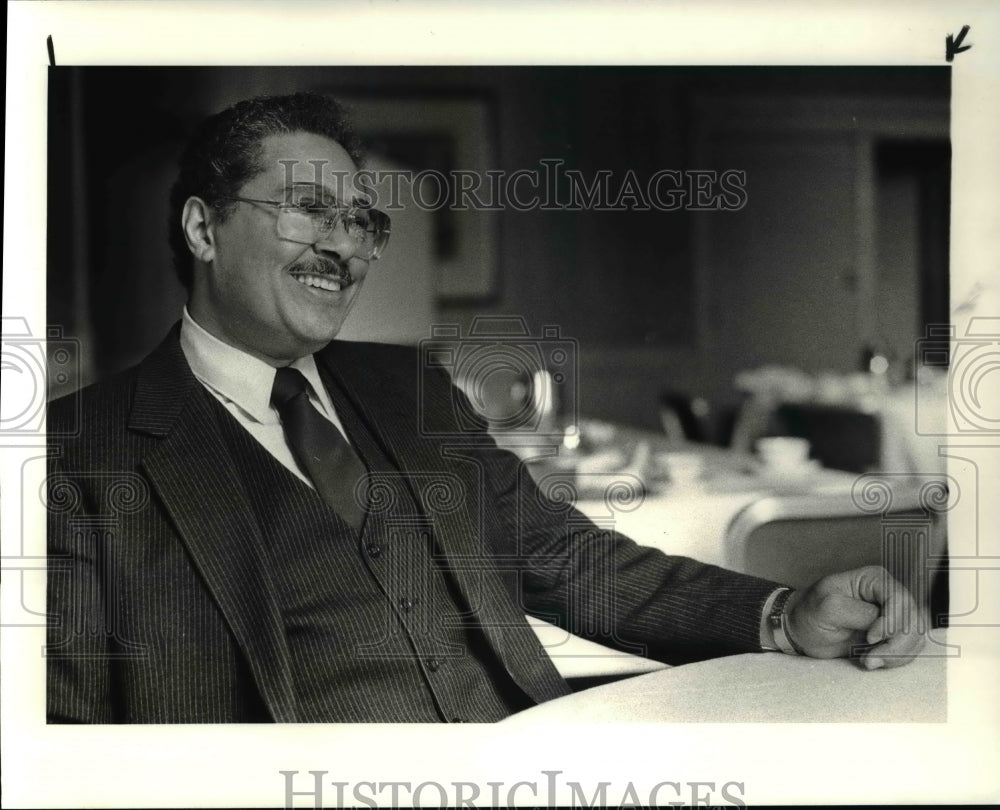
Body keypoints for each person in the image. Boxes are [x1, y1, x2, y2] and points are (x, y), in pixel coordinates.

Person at [46, 92, 924, 724]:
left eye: (363, 222)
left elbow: (569, 559)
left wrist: (780, 614)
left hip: (538, 760)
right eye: (309, 210)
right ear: (203, 229)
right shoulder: (75, 454)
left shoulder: (410, 387)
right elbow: (67, 741)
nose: (345, 245)